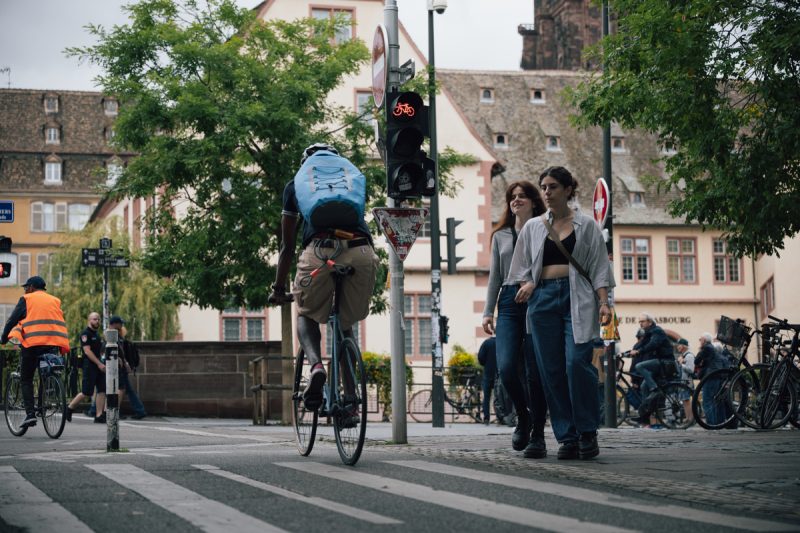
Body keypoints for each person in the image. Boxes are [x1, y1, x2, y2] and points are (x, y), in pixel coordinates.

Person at [509, 166, 614, 460]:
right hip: (542, 300)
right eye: (543, 186)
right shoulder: (533, 227)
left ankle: (587, 431)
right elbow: (520, 269)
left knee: (576, 364)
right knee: (551, 372)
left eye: (553, 186)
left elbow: (599, 269)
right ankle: (567, 438)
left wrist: (605, 303)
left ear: (568, 190)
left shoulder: (587, 226)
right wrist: (528, 284)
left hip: (578, 298)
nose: (546, 192)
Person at [268, 143, 378, 410]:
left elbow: (287, 246)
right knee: (344, 324)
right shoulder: (347, 178)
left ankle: (316, 366)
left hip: (320, 252)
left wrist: (279, 287)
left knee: (305, 313)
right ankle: (351, 399)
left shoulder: (297, 183)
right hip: (362, 252)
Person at [481, 180, 549, 458]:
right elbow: (495, 276)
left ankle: (538, 436)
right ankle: (523, 415)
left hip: (537, 299)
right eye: (513, 196)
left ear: (534, 201)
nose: (516, 200)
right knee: (506, 366)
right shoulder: (500, 236)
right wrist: (487, 310)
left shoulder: (545, 230)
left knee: (535, 371)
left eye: (523, 196)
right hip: (509, 301)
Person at [0, 276, 70, 429]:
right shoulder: (55, 300)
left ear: (31, 287)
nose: (25, 290)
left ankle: (30, 414)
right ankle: (43, 403)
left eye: (26, 287)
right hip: (52, 343)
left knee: (26, 379)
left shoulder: (27, 299)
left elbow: (12, 320)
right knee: (45, 373)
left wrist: (4, 338)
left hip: (32, 344)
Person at [629, 312, 675, 424]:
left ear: (650, 322)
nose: (640, 324)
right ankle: (644, 416)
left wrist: (639, 352)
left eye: (642, 321)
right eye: (639, 322)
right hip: (659, 362)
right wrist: (627, 352)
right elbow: (641, 344)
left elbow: (653, 345)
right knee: (644, 386)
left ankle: (655, 389)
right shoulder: (648, 332)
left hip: (665, 362)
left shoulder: (657, 331)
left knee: (639, 366)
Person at [66, 312, 107, 423]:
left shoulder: (96, 335)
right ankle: (69, 408)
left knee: (102, 390)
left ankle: (99, 415)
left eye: (98, 319)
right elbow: (87, 351)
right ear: (89, 320)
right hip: (89, 365)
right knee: (86, 392)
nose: (97, 321)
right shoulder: (85, 334)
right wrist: (99, 364)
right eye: (95, 319)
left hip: (99, 365)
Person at [109, 316, 147, 420]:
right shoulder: (112, 335)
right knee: (121, 389)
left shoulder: (117, 334)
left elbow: (121, 351)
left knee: (120, 388)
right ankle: (139, 410)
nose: (122, 325)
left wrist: (125, 362)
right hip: (117, 366)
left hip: (119, 367)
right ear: (115, 324)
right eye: (120, 323)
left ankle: (114, 411)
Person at [695, 332, 730, 426]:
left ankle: (711, 423)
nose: (699, 341)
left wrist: (700, 351)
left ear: (705, 340)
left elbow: (696, 360)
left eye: (700, 339)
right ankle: (717, 422)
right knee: (715, 401)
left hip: (710, 377)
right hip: (716, 377)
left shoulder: (707, 348)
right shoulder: (714, 352)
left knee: (707, 401)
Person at [477, 337, 497, 425]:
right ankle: (501, 416)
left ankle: (486, 418)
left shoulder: (486, 343)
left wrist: (485, 363)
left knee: (486, 398)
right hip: (499, 373)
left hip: (488, 373)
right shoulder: (502, 342)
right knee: (500, 397)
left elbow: (480, 357)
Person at [675, 338, 695, 423]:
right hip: (683, 381)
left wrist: (681, 364)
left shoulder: (689, 356)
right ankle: (688, 418)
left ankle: (690, 419)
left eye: (679, 345)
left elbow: (691, 369)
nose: (677, 347)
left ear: (683, 346)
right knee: (684, 400)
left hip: (687, 381)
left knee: (686, 400)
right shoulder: (683, 355)